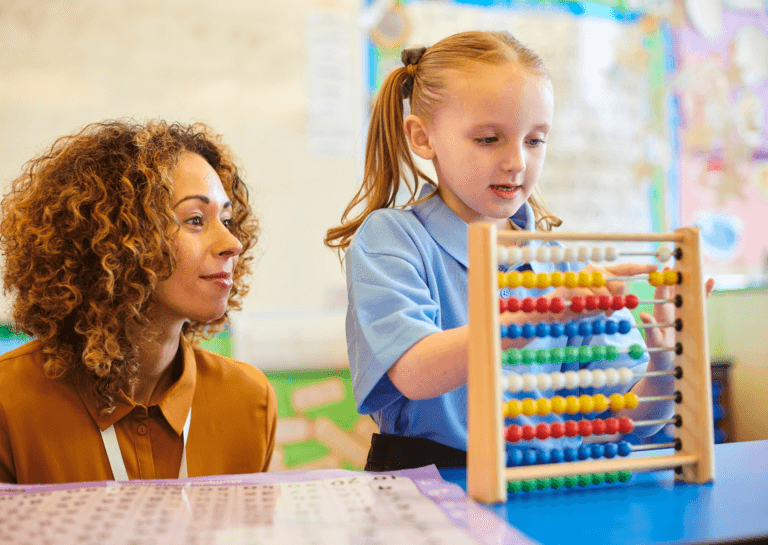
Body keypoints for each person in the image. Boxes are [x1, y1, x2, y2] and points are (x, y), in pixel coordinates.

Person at [325, 31, 714, 471]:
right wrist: (541, 313)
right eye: (489, 139)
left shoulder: (565, 265)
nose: (517, 162)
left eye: (535, 140)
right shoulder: (393, 239)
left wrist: (670, 363)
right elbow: (414, 371)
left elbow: (625, 418)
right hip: (428, 479)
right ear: (422, 137)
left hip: (539, 484)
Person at [0, 120, 277, 484]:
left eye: (226, 219)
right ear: (117, 241)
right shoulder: (9, 402)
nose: (232, 243)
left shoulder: (248, 401)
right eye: (195, 220)